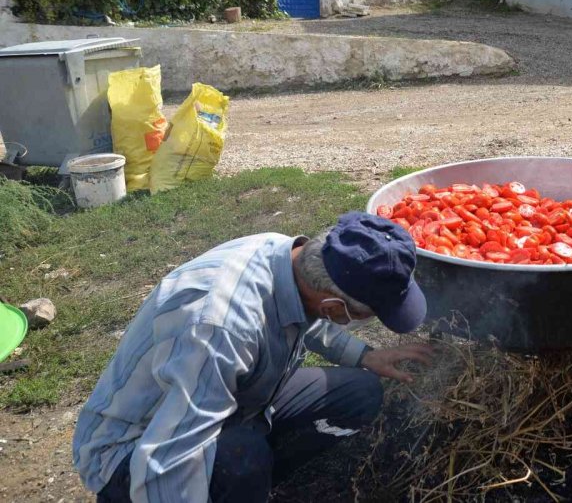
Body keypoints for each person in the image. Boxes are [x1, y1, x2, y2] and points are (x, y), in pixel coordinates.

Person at [72, 212, 435, 502]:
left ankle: (247, 478)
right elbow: (170, 457)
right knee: (243, 456)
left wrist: (366, 356)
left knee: (360, 392)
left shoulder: (290, 260)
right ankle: (239, 476)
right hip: (135, 450)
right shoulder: (220, 328)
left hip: (227, 398)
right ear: (335, 307)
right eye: (365, 315)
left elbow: (307, 315)